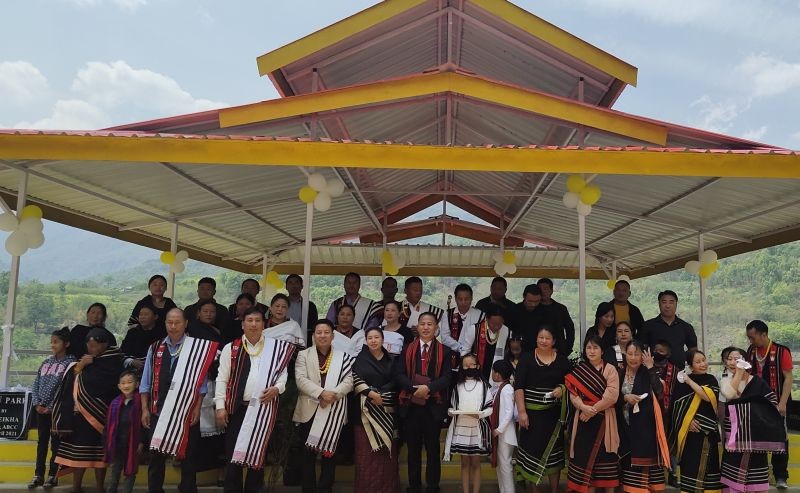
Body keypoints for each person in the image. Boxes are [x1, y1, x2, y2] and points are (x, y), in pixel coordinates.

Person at [214, 307, 295, 493]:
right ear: (242, 324)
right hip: (236, 409)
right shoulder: (231, 348)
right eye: (249, 320)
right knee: (233, 454)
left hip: (263, 409)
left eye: (257, 320)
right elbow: (222, 379)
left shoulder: (275, 348)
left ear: (264, 324)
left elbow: (283, 375)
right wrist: (220, 407)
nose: (253, 324)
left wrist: (277, 389)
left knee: (258, 455)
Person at [140, 308, 219, 493]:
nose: (173, 326)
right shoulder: (155, 347)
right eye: (169, 322)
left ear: (186, 324)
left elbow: (202, 385)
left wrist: (197, 409)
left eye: (177, 322)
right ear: (165, 323)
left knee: (189, 457)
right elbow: (145, 382)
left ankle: (187, 489)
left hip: (187, 411)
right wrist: (144, 409)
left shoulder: (196, 349)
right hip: (158, 411)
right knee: (156, 456)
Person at [52, 328, 125, 493]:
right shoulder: (84, 361)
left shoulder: (114, 361)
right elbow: (71, 383)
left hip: (102, 415)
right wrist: (81, 366)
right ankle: (76, 486)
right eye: (89, 345)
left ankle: (100, 487)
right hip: (81, 416)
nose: (92, 348)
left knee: (100, 455)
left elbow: (112, 387)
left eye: (95, 345)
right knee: (79, 454)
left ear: (105, 344)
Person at [293, 320, 354, 493]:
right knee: (308, 454)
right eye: (319, 332)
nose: (322, 335)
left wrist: (333, 395)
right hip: (310, 409)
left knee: (330, 453)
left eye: (326, 332)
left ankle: (326, 488)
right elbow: (300, 380)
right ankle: (308, 488)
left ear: (333, 336)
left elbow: (349, 381)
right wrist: (321, 393)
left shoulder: (343, 357)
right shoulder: (303, 355)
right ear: (313, 336)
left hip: (334, 409)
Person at [396, 312, 453, 493]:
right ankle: (414, 486)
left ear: (436, 328)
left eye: (430, 324)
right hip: (411, 406)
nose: (426, 327)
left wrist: (428, 388)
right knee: (413, 450)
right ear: (417, 327)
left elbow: (447, 377)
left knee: (433, 449)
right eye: (423, 324)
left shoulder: (445, 351)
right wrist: (415, 389)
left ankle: (433, 486)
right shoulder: (407, 349)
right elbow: (399, 374)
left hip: (433, 407)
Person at [720, 347, 787, 493]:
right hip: (734, 436)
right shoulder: (725, 381)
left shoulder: (758, 382)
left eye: (737, 359)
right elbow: (730, 394)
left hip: (756, 435)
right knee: (733, 470)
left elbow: (771, 403)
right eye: (729, 359)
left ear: (745, 362)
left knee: (757, 473)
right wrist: (738, 373)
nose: (732, 362)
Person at [514, 326, 572, 492]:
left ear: (553, 341)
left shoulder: (562, 361)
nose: (544, 341)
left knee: (554, 455)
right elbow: (519, 387)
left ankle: (554, 490)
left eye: (547, 338)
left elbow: (572, 383)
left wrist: (562, 389)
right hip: (531, 416)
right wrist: (522, 412)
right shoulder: (526, 359)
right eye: (541, 337)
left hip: (554, 417)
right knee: (533, 454)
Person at [565, 334, 621, 493]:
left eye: (595, 347)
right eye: (589, 347)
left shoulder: (610, 369)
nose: (592, 351)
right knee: (584, 460)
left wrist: (592, 410)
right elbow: (573, 393)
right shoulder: (579, 370)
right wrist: (583, 407)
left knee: (606, 460)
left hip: (604, 420)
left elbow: (612, 395)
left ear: (602, 350)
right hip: (583, 420)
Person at [351, 326, 399, 493]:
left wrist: (381, 396)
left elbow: (396, 381)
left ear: (382, 340)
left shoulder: (391, 360)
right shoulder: (359, 359)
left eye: (376, 337)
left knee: (386, 456)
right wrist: (371, 393)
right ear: (366, 340)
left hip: (385, 412)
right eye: (370, 338)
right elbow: (354, 378)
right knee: (366, 457)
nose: (373, 340)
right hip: (365, 414)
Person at [746, 319, 793, 489]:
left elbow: (788, 377)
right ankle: (760, 475)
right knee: (758, 438)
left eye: (753, 337)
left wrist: (783, 403)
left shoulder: (781, 351)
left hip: (778, 401)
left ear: (763, 334)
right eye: (749, 338)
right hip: (757, 402)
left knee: (780, 439)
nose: (751, 341)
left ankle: (781, 476)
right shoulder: (751, 351)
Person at [617, 341, 670, 493]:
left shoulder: (648, 372)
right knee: (629, 474)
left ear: (643, 356)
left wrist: (650, 367)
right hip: (625, 428)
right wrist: (625, 398)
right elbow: (613, 398)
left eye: (637, 354)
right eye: (630, 354)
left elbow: (660, 392)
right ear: (625, 354)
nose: (633, 358)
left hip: (646, 428)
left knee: (649, 472)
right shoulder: (619, 373)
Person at [668, 349, 722, 493]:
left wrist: (689, 380)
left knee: (709, 469)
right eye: (698, 362)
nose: (703, 364)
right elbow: (676, 408)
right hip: (690, 435)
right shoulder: (681, 384)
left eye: (703, 360)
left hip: (707, 432)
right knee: (690, 467)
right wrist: (687, 421)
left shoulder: (711, 379)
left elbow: (707, 397)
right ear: (691, 366)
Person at [28, 328, 75, 490]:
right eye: (52, 341)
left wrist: (50, 407)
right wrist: (36, 403)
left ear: (66, 344)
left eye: (56, 341)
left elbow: (65, 389)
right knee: (42, 442)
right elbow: (36, 383)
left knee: (56, 443)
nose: (52, 344)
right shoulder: (46, 362)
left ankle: (52, 475)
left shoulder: (70, 364)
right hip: (40, 409)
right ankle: (38, 474)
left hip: (56, 411)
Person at [187, 299, 226, 484]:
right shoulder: (192, 331)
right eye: (205, 311)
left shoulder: (217, 331)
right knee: (197, 431)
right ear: (198, 313)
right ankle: (191, 476)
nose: (209, 314)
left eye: (212, 311)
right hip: (197, 384)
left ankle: (219, 473)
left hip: (216, 382)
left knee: (218, 431)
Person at [443, 354, 493, 493]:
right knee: (464, 464)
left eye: (472, 364)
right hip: (461, 430)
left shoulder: (483, 386)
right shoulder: (457, 386)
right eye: (465, 365)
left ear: (477, 366)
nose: (469, 367)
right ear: (461, 367)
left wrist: (481, 414)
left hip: (476, 429)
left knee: (476, 464)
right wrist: (451, 411)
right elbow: (452, 407)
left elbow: (490, 407)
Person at [104, 370, 143, 493]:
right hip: (117, 444)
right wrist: (106, 442)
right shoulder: (114, 403)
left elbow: (144, 425)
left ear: (137, 384)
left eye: (130, 382)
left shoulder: (141, 403)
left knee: (130, 473)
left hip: (132, 444)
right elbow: (108, 426)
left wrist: (142, 442)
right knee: (114, 472)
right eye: (123, 383)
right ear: (119, 386)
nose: (126, 385)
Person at [640, 290, 697, 368]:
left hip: (678, 372)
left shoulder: (686, 327)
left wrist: (682, 356)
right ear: (659, 304)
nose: (667, 305)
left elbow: (693, 349)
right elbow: (642, 349)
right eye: (664, 302)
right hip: (653, 372)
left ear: (676, 304)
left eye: (671, 302)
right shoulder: (648, 325)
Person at [460, 305, 510, 381]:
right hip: (475, 373)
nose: (496, 327)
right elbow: (464, 352)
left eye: (499, 324)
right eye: (493, 324)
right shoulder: (475, 329)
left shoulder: (506, 331)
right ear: (486, 318)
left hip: (495, 374)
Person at [489, 360, 516, 493]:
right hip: (501, 433)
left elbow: (509, 413)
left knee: (505, 466)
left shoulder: (506, 389)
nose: (492, 374)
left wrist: (498, 430)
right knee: (502, 466)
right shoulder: (500, 388)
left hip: (505, 434)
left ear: (498, 374)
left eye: (493, 371)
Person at [508, 284, 557, 353]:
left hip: (540, 351)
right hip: (518, 351)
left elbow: (552, 332)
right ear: (524, 297)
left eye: (536, 301)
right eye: (530, 301)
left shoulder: (546, 313)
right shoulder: (514, 310)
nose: (533, 304)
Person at [440, 283, 485, 358]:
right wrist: (461, 348)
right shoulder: (448, 314)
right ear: (455, 298)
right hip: (452, 357)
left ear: (471, 298)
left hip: (473, 358)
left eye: (466, 299)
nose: (463, 302)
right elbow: (445, 337)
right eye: (460, 299)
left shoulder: (480, 315)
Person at [120, 304, 165, 370]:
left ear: (155, 317)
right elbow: (122, 353)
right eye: (140, 314)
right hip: (133, 371)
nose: (142, 317)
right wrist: (132, 362)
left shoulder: (162, 334)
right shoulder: (132, 333)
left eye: (146, 314)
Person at [537, 278, 575, 355]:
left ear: (551, 291)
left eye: (545, 289)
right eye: (540, 289)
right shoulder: (534, 308)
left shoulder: (561, 308)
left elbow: (570, 328)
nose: (542, 292)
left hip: (559, 350)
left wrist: (567, 347)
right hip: (537, 350)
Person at [285, 274, 318, 343]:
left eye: (296, 282)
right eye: (290, 283)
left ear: (302, 286)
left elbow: (314, 326)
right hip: (284, 339)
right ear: (286, 287)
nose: (293, 285)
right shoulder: (281, 305)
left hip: (304, 340)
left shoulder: (310, 306)